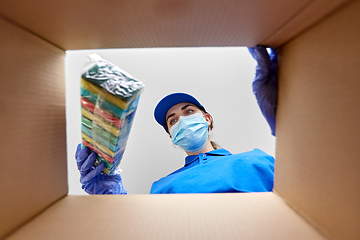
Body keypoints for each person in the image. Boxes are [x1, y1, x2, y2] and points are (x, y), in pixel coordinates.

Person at [75, 45, 278, 195]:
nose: (181, 120)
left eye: (188, 112)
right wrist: (113, 197)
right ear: (172, 136)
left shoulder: (258, 161)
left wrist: (285, 122)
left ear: (207, 119)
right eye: (172, 121)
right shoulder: (163, 187)